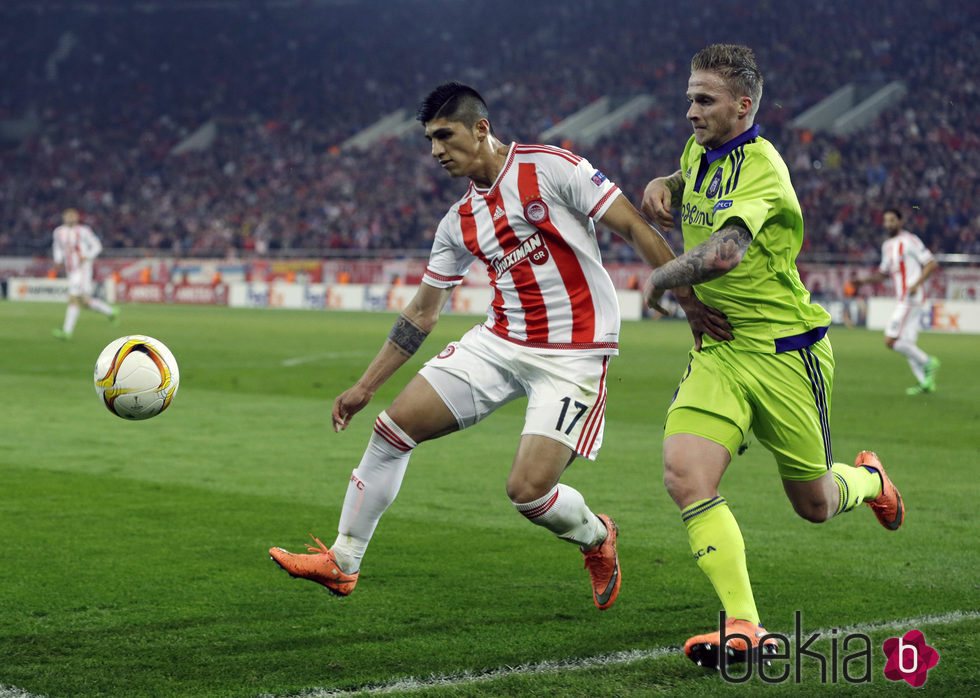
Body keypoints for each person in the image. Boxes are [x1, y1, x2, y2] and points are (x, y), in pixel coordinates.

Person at [269, 81, 728, 610]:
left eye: (444, 136)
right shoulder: (459, 221)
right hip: (499, 342)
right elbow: (422, 311)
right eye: (429, 140)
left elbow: (632, 225)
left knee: (528, 492)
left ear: (481, 129)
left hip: (572, 354)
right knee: (392, 430)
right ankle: (343, 561)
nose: (436, 150)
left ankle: (597, 537)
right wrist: (363, 386)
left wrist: (686, 298)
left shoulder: (550, 168)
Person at [639, 45, 905, 669]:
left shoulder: (764, 169)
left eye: (704, 101)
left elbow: (727, 250)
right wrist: (664, 183)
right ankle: (745, 627)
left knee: (814, 504)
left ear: (743, 105)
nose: (691, 112)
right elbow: (690, 182)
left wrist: (662, 279)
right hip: (722, 350)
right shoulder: (701, 148)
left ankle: (869, 480)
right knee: (684, 473)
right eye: (688, 98)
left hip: (787, 353)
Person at [851, 208, 940, 394]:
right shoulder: (887, 246)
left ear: (900, 221)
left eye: (892, 220)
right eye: (886, 220)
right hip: (902, 298)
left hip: (911, 298)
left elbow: (931, 263)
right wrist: (863, 281)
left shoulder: (910, 240)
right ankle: (926, 383)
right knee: (906, 343)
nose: (889, 224)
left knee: (890, 340)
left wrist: (916, 283)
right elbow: (883, 274)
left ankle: (928, 362)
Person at [51, 208, 118, 339]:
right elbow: (57, 247)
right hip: (71, 269)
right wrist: (57, 260)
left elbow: (97, 245)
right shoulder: (58, 232)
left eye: (73, 215)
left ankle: (67, 332)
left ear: (77, 217)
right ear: (64, 217)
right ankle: (111, 311)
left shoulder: (83, 231)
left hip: (82, 269)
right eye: (67, 215)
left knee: (73, 298)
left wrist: (87, 256)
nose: (70, 218)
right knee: (85, 302)